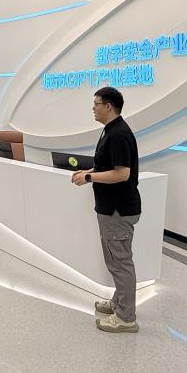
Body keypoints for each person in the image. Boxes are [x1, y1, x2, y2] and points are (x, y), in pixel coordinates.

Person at [71, 87, 141, 334]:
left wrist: (89, 177)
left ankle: (126, 317)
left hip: (117, 210)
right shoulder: (110, 130)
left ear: (109, 106)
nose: (93, 108)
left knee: (121, 262)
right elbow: (107, 166)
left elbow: (122, 173)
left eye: (97, 104)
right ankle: (119, 302)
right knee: (114, 260)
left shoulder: (119, 133)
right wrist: (89, 171)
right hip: (111, 209)